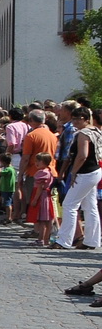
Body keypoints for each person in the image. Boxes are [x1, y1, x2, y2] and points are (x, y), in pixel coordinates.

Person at [56, 106, 100, 249]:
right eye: (73, 118)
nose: (75, 121)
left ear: (86, 119)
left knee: (69, 205)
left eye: (78, 118)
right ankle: (92, 240)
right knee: (90, 206)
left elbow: (82, 155)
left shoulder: (83, 134)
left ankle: (64, 241)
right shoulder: (96, 131)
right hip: (94, 171)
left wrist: (73, 172)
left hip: (85, 172)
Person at [27, 151, 59, 246]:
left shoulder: (42, 173)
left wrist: (35, 199)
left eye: (38, 161)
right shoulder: (49, 171)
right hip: (47, 196)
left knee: (42, 220)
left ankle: (40, 239)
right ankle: (46, 240)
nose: (36, 163)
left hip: (41, 196)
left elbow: (40, 187)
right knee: (48, 220)